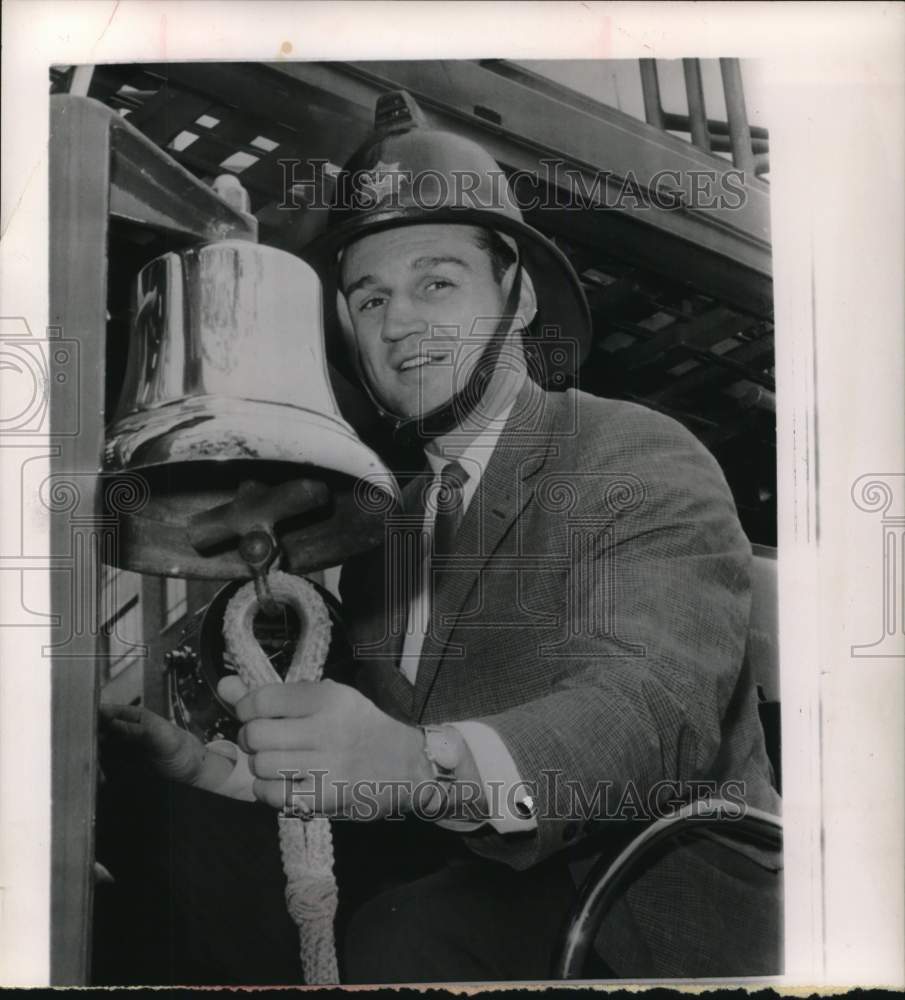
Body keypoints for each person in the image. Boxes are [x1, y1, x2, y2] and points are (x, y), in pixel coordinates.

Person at [101, 91, 782, 984]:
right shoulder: (388, 526)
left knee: (414, 930)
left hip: (640, 905)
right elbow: (364, 777)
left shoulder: (632, 452)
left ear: (519, 295)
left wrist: (417, 764)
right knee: (162, 839)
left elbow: (648, 709)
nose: (401, 323)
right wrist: (223, 774)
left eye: (437, 282)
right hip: (453, 879)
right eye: (370, 296)